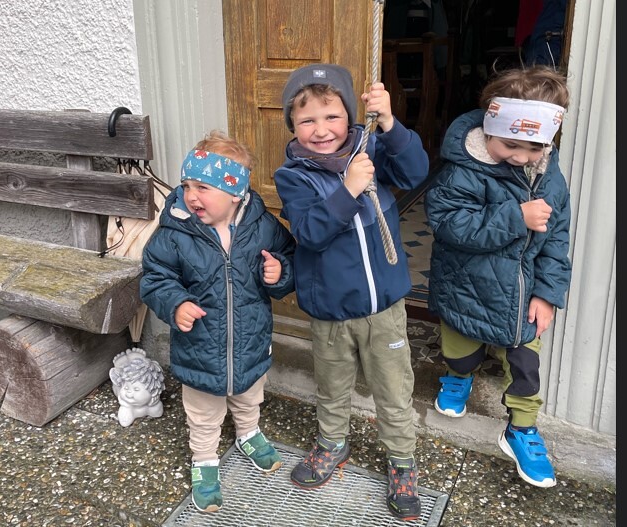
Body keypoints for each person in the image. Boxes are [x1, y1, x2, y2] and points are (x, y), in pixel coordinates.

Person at [274, 63, 429, 520]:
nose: (321, 130)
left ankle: (402, 461)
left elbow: (416, 171)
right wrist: (348, 189)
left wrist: (391, 123)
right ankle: (331, 443)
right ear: (292, 125)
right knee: (332, 385)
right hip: (330, 310)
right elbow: (310, 232)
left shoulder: (372, 148)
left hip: (384, 308)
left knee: (394, 389)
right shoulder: (293, 176)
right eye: (307, 120)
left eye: (332, 116)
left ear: (350, 117)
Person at [424, 65, 572, 488]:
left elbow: (557, 237)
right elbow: (447, 222)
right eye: (511, 144)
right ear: (490, 127)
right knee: (461, 346)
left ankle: (521, 428)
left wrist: (547, 293)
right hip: (467, 285)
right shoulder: (464, 168)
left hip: (524, 293)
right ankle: (459, 377)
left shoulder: (549, 176)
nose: (522, 157)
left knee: (526, 365)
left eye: (535, 147)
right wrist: (515, 217)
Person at [140, 130, 296, 512]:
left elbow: (289, 256)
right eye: (186, 186)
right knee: (203, 411)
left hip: (250, 340)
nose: (191, 196)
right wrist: (175, 303)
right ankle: (205, 459)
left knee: (250, 394)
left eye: (203, 187)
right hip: (200, 347)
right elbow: (155, 277)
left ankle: (248, 432)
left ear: (235, 193)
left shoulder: (263, 226)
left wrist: (279, 273)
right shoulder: (175, 232)